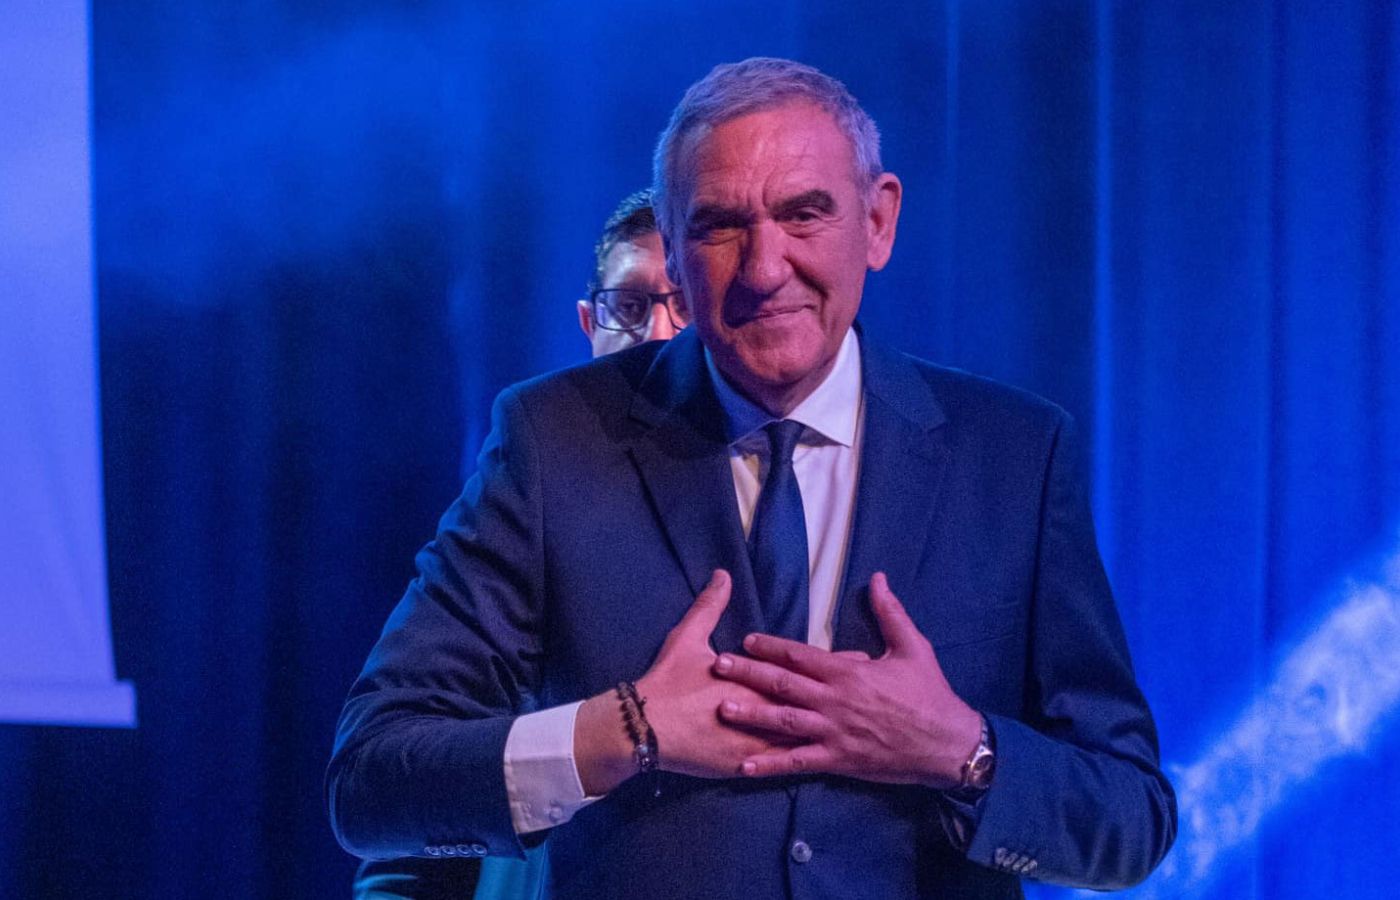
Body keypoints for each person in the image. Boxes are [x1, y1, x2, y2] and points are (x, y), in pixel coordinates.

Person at [329, 57, 1176, 898]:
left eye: (804, 214)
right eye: (721, 226)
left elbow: (1130, 823)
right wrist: (621, 731)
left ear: (879, 222)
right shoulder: (555, 441)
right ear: (673, 250)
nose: (766, 268)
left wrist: (960, 749)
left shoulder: (1015, 455)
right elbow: (372, 782)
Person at [350, 189, 677, 899]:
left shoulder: (774, 514)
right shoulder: (528, 500)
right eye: (630, 306)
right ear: (590, 322)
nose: (656, 334)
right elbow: (396, 788)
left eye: (682, 305)